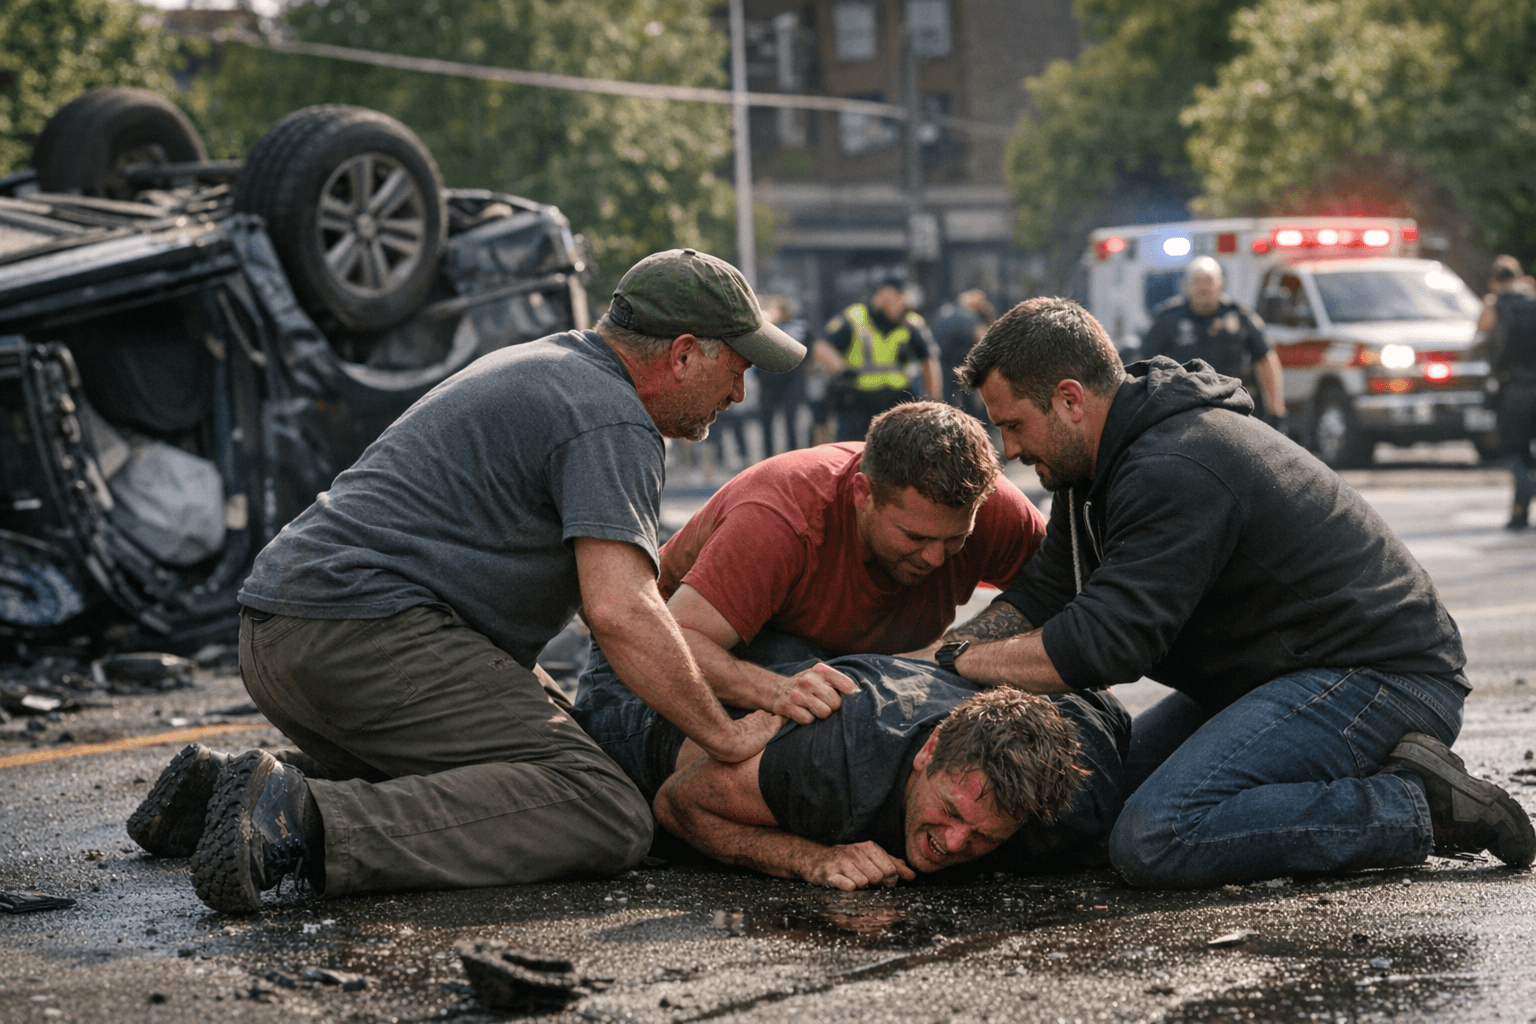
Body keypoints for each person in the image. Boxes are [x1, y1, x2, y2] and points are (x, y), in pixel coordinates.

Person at [126, 248, 806, 914]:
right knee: (598, 807)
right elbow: (621, 613)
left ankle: (223, 793)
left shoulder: (553, 365)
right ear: (683, 353)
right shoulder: (612, 417)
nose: (740, 394)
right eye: (737, 369)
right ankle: (299, 824)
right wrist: (724, 735)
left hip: (286, 632)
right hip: (359, 634)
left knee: (528, 777)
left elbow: (609, 598)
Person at [937, 296, 1533, 888]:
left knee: (1155, 835)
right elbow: (1046, 591)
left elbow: (1103, 644)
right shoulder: (1088, 466)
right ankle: (1338, 781)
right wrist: (942, 657)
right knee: (1092, 806)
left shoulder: (1175, 464)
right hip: (1275, 676)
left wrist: (970, 662)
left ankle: (1416, 807)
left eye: (1012, 426)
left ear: (1069, 400)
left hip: (1382, 676)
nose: (1008, 450)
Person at [575, 400, 1046, 730]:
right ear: (863, 495)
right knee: (829, 699)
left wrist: (953, 650)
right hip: (647, 674)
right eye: (915, 537)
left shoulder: (993, 509)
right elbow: (676, 640)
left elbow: (1068, 594)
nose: (936, 558)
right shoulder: (782, 516)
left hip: (831, 660)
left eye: (955, 540)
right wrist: (776, 691)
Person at [582, 652, 1130, 889]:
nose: (955, 841)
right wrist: (812, 858)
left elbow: (1100, 704)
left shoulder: (1078, 797)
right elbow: (677, 803)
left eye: (987, 835)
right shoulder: (837, 765)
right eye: (950, 810)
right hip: (641, 730)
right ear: (929, 750)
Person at [1140, 256, 1285, 426]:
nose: (1203, 288)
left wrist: (1276, 411)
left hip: (1233, 407)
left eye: (1209, 281)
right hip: (1184, 411)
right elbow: (1145, 364)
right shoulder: (1168, 318)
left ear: (1220, 283)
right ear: (1186, 285)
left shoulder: (1240, 315)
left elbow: (1266, 360)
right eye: (1197, 281)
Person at [813, 276, 943, 442]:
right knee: (853, 453)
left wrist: (934, 400)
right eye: (900, 294)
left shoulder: (912, 323)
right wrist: (842, 370)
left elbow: (929, 360)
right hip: (858, 403)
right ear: (884, 294)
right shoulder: (855, 317)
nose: (905, 301)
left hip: (898, 403)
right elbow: (822, 347)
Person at [1477, 255, 1536, 530]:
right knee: (1525, 454)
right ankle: (1519, 515)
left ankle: (1527, 492)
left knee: (1515, 450)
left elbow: (1480, 331)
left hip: (1513, 390)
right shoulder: (1533, 300)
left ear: (1494, 281)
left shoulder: (1497, 304)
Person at [756, 296, 810, 456]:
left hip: (790, 381)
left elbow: (807, 352)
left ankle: (793, 455)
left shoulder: (799, 328)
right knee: (766, 422)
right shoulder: (764, 327)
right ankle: (767, 456)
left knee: (790, 422)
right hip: (768, 382)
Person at [930, 288, 996, 410]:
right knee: (968, 405)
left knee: (945, 403)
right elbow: (985, 341)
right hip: (960, 365)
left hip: (939, 364)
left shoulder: (942, 312)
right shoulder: (969, 316)